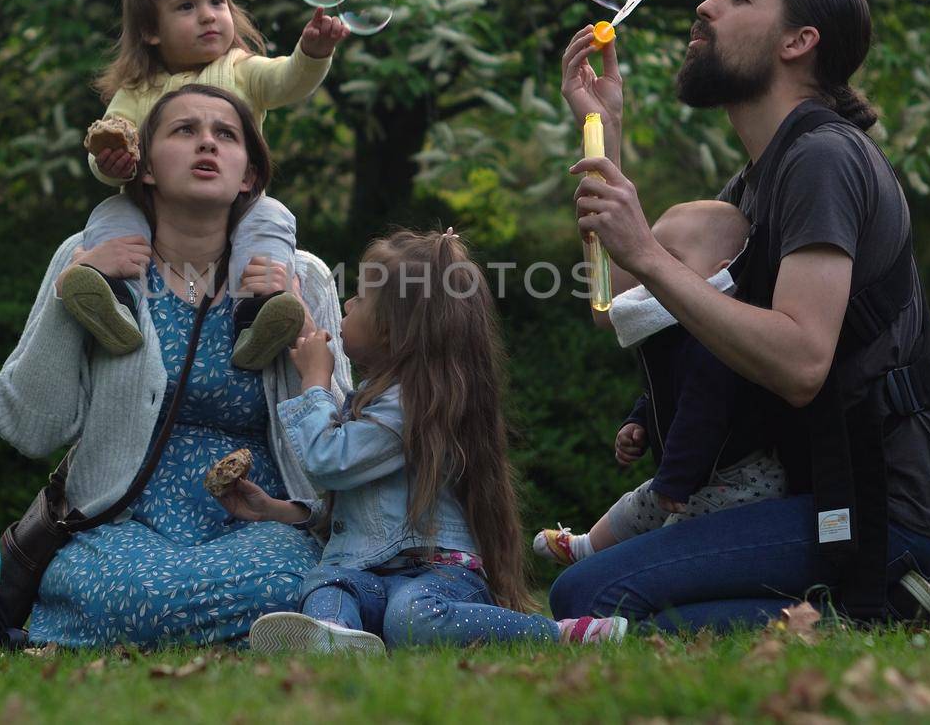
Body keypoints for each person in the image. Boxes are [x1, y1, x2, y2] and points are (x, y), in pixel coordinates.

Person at [552, 0, 930, 631]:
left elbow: (801, 362)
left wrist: (645, 250)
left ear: (798, 41)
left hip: (882, 503)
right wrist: (603, 130)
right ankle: (870, 603)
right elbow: (620, 310)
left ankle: (890, 605)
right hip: (817, 486)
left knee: (591, 599)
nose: (706, 5)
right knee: (587, 595)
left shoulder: (822, 159)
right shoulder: (757, 181)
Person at [0, 84, 351, 649]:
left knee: (288, 580)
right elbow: (28, 428)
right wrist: (70, 295)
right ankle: (261, 636)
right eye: (184, 131)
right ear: (147, 168)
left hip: (263, 522)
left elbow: (346, 437)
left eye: (225, 135)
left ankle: (166, 632)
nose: (206, 143)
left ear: (249, 175)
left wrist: (302, 319)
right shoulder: (86, 258)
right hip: (124, 523)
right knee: (131, 591)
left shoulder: (302, 274)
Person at [220, 230, 629, 654]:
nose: (348, 304)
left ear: (394, 330)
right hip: (372, 577)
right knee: (328, 584)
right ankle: (333, 639)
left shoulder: (412, 407)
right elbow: (371, 510)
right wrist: (280, 510)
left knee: (410, 615)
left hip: (438, 581)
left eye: (360, 297)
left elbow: (329, 460)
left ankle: (554, 634)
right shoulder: (378, 399)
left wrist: (315, 383)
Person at [65, 0, 348, 372]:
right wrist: (113, 165)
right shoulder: (137, 91)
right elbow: (109, 143)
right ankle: (113, 300)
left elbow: (286, 80)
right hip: (155, 213)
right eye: (186, 6)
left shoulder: (240, 68)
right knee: (110, 214)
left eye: (217, 0)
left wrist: (312, 54)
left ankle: (258, 312)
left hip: (237, 205)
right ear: (150, 30)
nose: (208, 15)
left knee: (272, 217)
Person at [534, 201, 785, 567]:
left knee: (674, 530)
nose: (653, 272)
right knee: (638, 504)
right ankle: (587, 547)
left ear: (722, 271)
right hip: (694, 474)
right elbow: (669, 392)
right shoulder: (675, 327)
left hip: (739, 481)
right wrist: (639, 422)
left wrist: (675, 479)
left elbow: (705, 413)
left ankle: (650, 576)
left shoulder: (714, 340)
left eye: (670, 259)